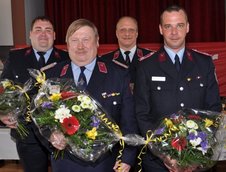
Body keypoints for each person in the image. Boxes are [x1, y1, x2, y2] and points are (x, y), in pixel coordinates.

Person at [135, 5, 222, 172]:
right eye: (168, 26)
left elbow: (214, 109)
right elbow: (141, 114)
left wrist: (196, 153)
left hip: (198, 161)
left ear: (188, 27)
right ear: (161, 29)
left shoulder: (204, 63)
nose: (174, 32)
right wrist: (164, 154)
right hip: (158, 163)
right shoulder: (146, 66)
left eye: (179, 25)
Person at [44, 18, 138, 172]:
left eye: (86, 40)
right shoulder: (51, 75)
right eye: (74, 40)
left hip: (106, 163)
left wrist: (127, 157)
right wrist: (50, 136)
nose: (80, 46)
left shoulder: (118, 75)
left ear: (97, 42)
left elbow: (129, 121)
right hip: (64, 162)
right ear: (67, 44)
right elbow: (39, 119)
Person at [0, 16, 69, 172]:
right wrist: (2, 113)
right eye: (38, 30)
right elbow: (2, 88)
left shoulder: (67, 58)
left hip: (61, 133)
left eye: (48, 30)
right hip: (27, 133)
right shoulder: (16, 57)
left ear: (55, 35)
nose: (43, 34)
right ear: (30, 35)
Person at [101, 16, 153, 88]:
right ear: (116, 33)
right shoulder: (105, 60)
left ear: (137, 33)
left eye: (131, 30)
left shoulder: (151, 57)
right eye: (123, 30)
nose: (127, 34)